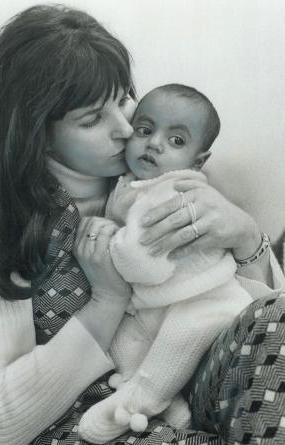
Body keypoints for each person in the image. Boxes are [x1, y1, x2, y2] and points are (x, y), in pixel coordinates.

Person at [0, 5, 283, 445]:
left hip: (189, 379)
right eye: (92, 119)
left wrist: (247, 238)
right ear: (36, 132)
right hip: (75, 426)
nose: (126, 128)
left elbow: (242, 303)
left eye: (124, 98)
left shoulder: (162, 174)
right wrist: (106, 301)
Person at [78, 84, 254, 444]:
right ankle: (164, 402)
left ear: (198, 160)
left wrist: (109, 238)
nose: (154, 143)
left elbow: (145, 267)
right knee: (126, 341)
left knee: (176, 341)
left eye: (175, 141)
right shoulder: (130, 184)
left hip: (210, 304)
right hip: (157, 305)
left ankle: (139, 402)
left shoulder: (171, 192)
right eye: (144, 131)